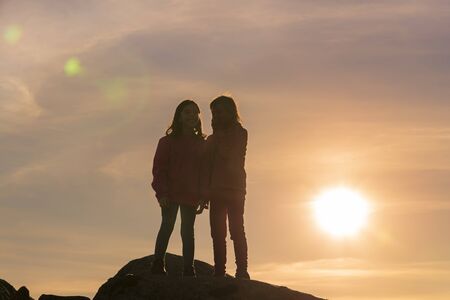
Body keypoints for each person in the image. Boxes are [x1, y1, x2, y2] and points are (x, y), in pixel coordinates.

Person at [150, 100, 206, 277]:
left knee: (188, 231)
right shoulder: (167, 142)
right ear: (179, 117)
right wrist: (162, 193)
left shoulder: (202, 144)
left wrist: (204, 196)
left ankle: (189, 269)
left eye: (195, 113)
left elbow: (205, 172)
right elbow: (159, 169)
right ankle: (158, 264)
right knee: (167, 225)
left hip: (191, 194)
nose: (192, 116)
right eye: (187, 112)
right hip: (170, 193)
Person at [198, 95, 250, 279]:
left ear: (230, 112)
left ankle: (242, 270)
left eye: (219, 112)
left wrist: (216, 137)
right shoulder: (213, 139)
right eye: (214, 113)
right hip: (216, 190)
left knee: (237, 230)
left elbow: (231, 156)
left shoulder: (240, 133)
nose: (216, 116)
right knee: (217, 233)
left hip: (235, 190)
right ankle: (219, 270)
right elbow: (206, 166)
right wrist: (204, 193)